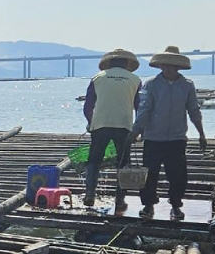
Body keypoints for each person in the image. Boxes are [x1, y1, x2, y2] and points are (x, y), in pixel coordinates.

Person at [133, 46, 207, 221]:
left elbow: (193, 110)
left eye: (171, 66)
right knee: (150, 174)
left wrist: (201, 134)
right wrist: (135, 131)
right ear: (161, 66)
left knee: (178, 174)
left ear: (177, 68)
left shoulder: (187, 85)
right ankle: (148, 205)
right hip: (153, 137)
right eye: (165, 65)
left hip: (177, 138)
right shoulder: (151, 84)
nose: (168, 69)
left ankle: (175, 205)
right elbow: (144, 110)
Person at [79, 48, 141, 212]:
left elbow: (87, 107)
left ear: (108, 63)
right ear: (127, 64)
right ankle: (120, 200)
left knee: (94, 161)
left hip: (100, 125)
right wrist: (138, 130)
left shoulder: (97, 78)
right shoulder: (135, 79)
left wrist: (90, 123)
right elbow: (139, 107)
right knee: (123, 163)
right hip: (124, 126)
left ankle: (90, 194)